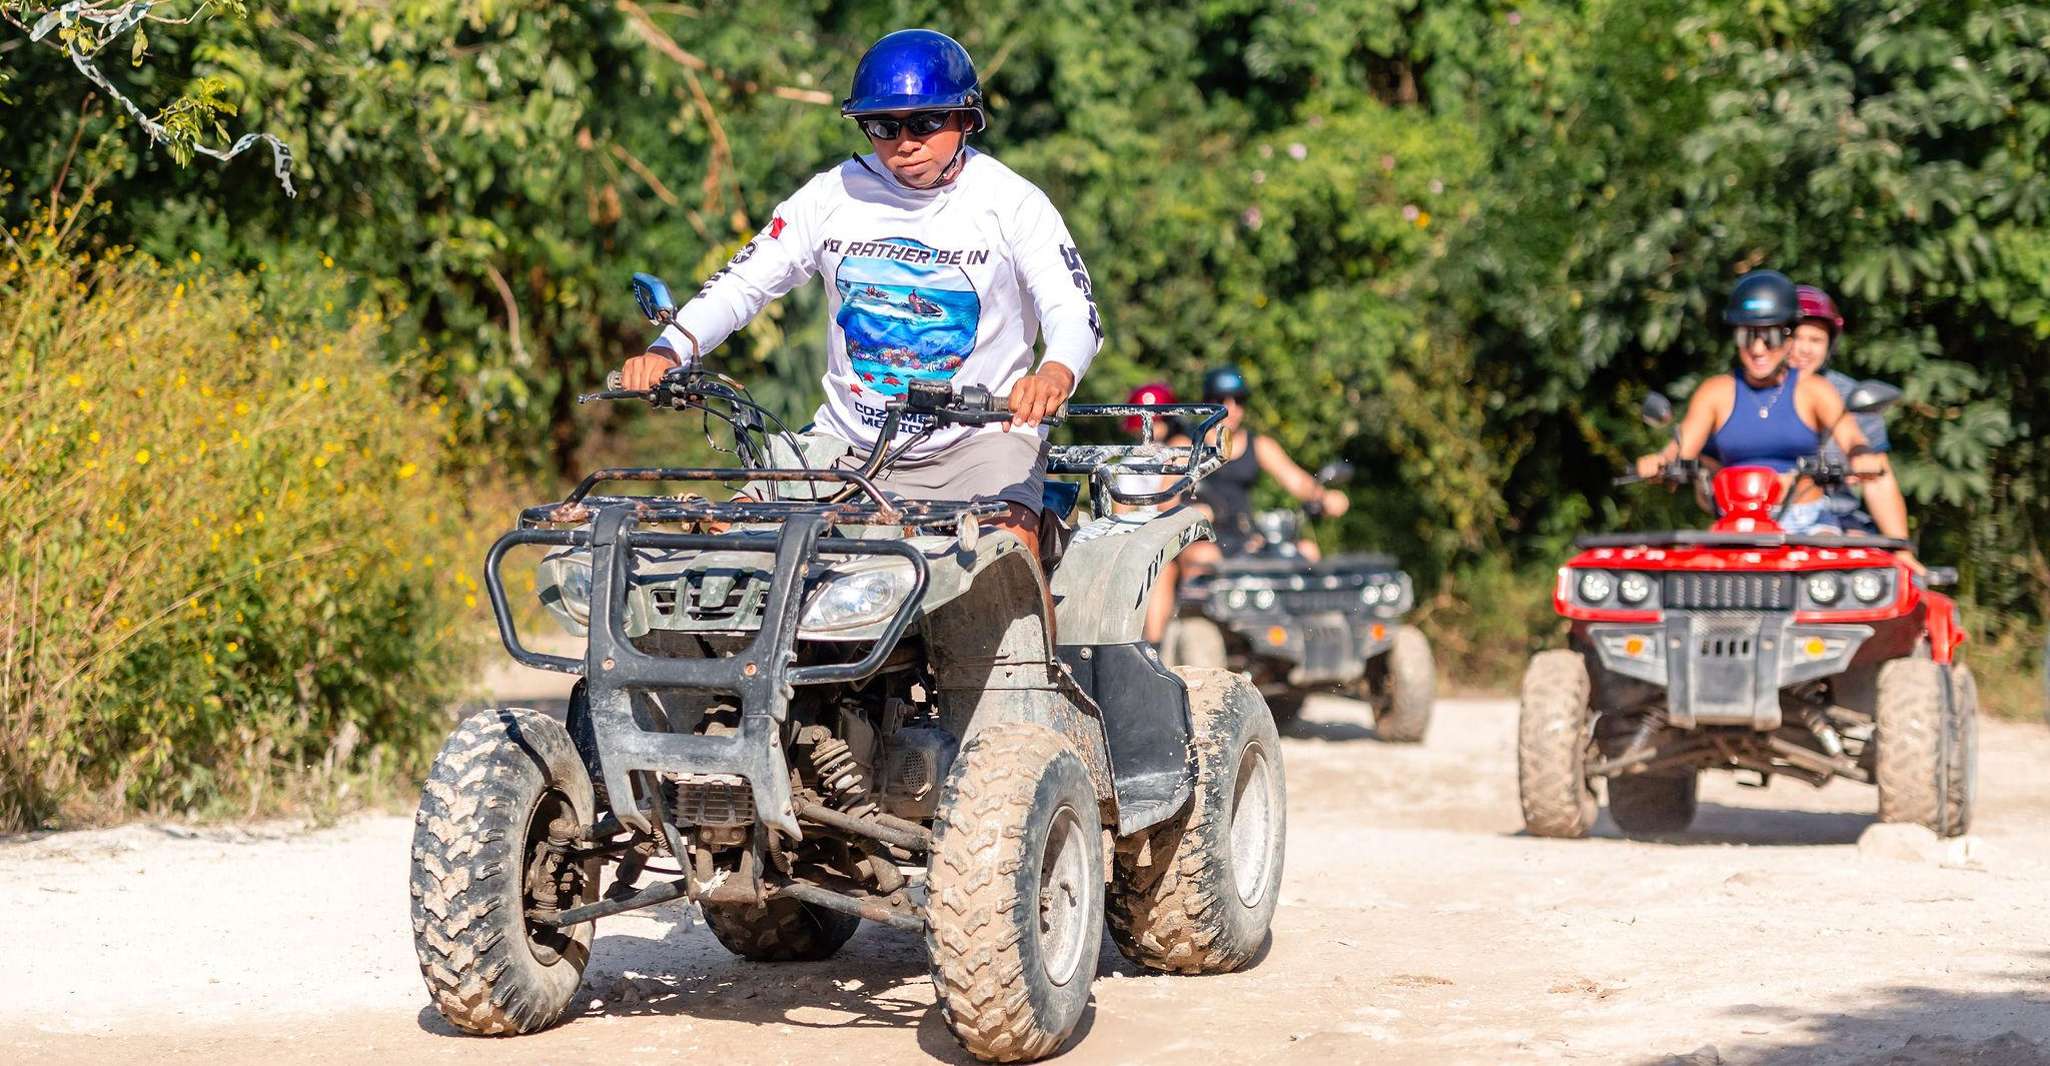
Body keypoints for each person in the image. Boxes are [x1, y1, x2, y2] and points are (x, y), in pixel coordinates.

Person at [615, 28, 1102, 563]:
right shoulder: (830, 195)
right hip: (846, 446)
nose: (905, 142)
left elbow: (1073, 309)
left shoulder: (1013, 203)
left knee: (1007, 555)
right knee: (732, 546)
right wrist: (669, 350)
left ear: (966, 119)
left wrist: (1055, 372)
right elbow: (741, 284)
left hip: (981, 443)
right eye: (882, 126)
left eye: (926, 122)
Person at [1635, 270, 1905, 549]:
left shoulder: (1813, 390)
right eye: (1746, 336)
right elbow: (1683, 445)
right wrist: (1660, 461)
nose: (1758, 349)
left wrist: (1861, 457)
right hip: (1734, 524)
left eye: (1770, 337)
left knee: (1839, 573)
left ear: (1788, 338)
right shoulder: (1715, 392)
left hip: (1808, 524)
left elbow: (1852, 438)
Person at [1788, 284, 1915, 547]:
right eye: (1796, 338)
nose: (1804, 350)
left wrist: (1901, 549)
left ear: (1829, 346)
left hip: (1837, 518)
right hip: (1760, 521)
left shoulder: (1850, 398)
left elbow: (1878, 479)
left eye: (1815, 340)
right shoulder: (1744, 391)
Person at [1184, 365, 1349, 560]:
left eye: (1239, 400)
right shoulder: (1185, 444)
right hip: (1201, 538)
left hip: (1246, 537)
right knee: (1204, 557)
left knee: (1307, 551)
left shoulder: (1259, 445)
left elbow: (1296, 480)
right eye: (1221, 400)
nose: (1232, 408)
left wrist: (1323, 496)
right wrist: (1189, 515)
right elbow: (1166, 495)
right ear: (1206, 402)